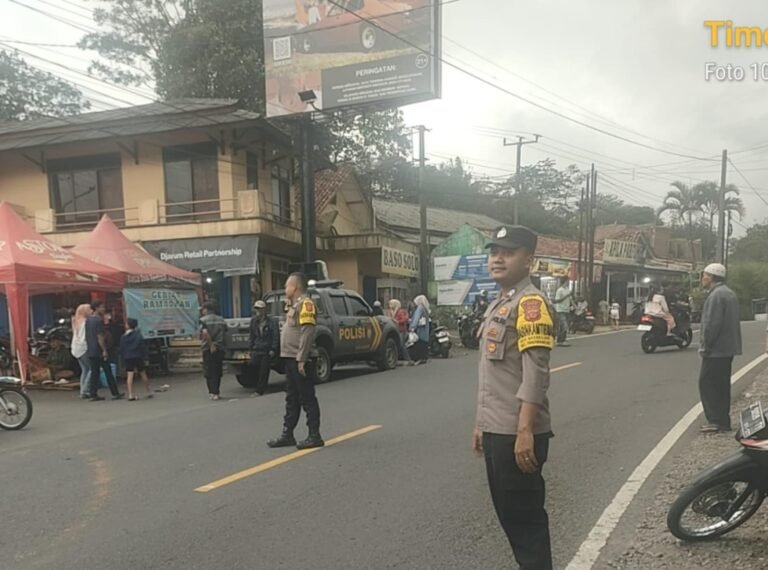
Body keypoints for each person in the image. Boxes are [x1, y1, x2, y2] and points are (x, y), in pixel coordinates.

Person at [473, 225, 555, 569]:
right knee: (512, 519)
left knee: (525, 524)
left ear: (529, 260)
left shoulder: (530, 303)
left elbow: (535, 373)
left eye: (508, 252)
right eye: (494, 252)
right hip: (498, 429)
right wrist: (481, 424)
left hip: (516, 433)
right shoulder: (501, 302)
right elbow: (492, 376)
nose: (498, 258)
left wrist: (524, 431)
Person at [267, 273, 324, 450]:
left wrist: (302, 359)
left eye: (287, 286)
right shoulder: (294, 306)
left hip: (301, 359)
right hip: (290, 358)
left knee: (307, 397)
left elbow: (307, 333)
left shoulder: (306, 304)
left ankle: (314, 435)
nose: (285, 289)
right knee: (291, 398)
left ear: (295, 287)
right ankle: (287, 434)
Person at [698, 263, 742, 433]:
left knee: (708, 383)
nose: (703, 279)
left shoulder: (716, 296)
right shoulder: (728, 293)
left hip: (716, 350)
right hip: (727, 348)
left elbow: (711, 324)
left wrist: (705, 345)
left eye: (705, 275)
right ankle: (723, 420)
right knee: (721, 384)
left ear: (711, 277)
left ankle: (716, 420)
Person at [86, 300, 123, 401]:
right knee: (108, 371)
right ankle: (115, 393)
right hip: (98, 350)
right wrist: (104, 350)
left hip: (91, 349)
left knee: (95, 372)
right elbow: (100, 336)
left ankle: (92, 394)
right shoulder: (98, 320)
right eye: (101, 307)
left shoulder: (88, 320)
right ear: (96, 308)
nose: (103, 309)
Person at [249, 300, 279, 396]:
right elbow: (252, 335)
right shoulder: (254, 321)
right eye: (256, 309)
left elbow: (275, 335)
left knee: (264, 370)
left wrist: (273, 348)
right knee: (253, 366)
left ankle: (260, 389)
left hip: (267, 349)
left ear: (264, 310)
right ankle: (256, 385)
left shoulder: (272, 321)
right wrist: (251, 348)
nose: (258, 311)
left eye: (260, 309)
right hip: (257, 348)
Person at [120, 318, 154, 401]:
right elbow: (142, 346)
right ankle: (149, 391)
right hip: (138, 356)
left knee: (130, 375)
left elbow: (122, 348)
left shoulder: (123, 337)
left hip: (128, 357)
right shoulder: (138, 335)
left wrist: (123, 358)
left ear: (128, 325)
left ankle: (131, 394)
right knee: (142, 373)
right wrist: (145, 357)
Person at [200, 302, 227, 401]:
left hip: (208, 348)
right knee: (217, 370)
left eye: (203, 309)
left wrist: (211, 345)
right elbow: (225, 332)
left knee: (209, 371)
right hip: (220, 348)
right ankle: (217, 392)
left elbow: (205, 332)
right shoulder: (221, 320)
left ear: (207, 309)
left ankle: (212, 392)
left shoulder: (203, 320)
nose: (202, 311)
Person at [71, 303, 93, 399]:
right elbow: (84, 337)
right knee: (91, 369)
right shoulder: (85, 322)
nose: (91, 311)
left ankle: (82, 390)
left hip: (75, 347)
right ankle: (85, 390)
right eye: (89, 309)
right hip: (83, 347)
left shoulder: (76, 321)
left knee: (84, 369)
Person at [388, 299, 413, 365]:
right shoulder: (392, 312)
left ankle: (408, 359)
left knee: (402, 344)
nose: (389, 306)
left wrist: (397, 321)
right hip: (396, 330)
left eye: (391, 304)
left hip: (402, 330)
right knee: (398, 344)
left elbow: (404, 319)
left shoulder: (400, 311)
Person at [409, 295, 431, 364]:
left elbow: (416, 318)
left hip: (420, 329)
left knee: (419, 343)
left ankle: (419, 358)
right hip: (425, 329)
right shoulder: (425, 308)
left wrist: (412, 327)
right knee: (424, 343)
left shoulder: (420, 308)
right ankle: (424, 358)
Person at [553, 276, 572, 347]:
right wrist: (566, 296)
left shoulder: (567, 289)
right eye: (567, 281)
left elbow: (570, 299)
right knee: (564, 325)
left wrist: (575, 306)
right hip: (560, 310)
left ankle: (561, 340)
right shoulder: (560, 290)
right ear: (565, 281)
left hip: (567, 309)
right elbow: (557, 300)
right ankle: (561, 340)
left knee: (563, 325)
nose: (568, 283)